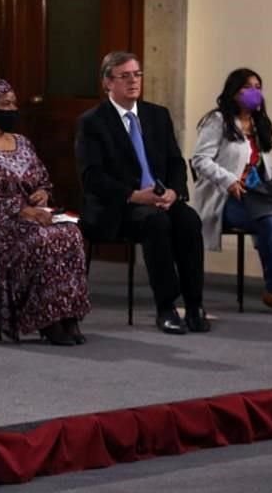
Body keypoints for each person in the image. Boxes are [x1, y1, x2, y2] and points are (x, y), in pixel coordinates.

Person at [0, 77, 91, 346]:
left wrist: (42, 194)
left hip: (31, 216)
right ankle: (46, 319)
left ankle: (67, 314)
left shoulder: (22, 142)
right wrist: (21, 210)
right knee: (41, 240)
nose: (12, 109)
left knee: (70, 233)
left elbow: (42, 179)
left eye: (13, 103)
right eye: (5, 104)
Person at [75, 51, 210, 334]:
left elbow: (175, 161)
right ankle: (166, 307)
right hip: (118, 205)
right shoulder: (93, 122)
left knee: (189, 220)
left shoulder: (157, 115)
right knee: (155, 222)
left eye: (137, 74)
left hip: (160, 198)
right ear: (107, 83)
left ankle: (195, 304)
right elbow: (93, 177)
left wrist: (174, 191)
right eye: (125, 76)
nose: (134, 81)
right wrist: (135, 196)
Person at [191, 68, 272, 316]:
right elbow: (200, 160)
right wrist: (229, 180)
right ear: (233, 92)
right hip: (227, 198)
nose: (255, 92)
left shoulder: (258, 123)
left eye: (258, 87)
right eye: (248, 87)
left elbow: (264, 162)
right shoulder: (218, 121)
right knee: (269, 222)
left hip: (258, 195)